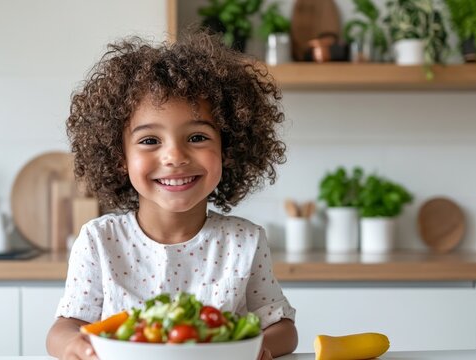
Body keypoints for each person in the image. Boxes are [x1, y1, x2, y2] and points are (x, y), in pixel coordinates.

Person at [46, 31, 297, 360]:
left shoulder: (244, 241)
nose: (175, 156)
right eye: (150, 140)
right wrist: (75, 346)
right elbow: (64, 328)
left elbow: (282, 328)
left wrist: (257, 349)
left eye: (196, 136)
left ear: (228, 148)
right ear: (119, 157)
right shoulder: (99, 241)